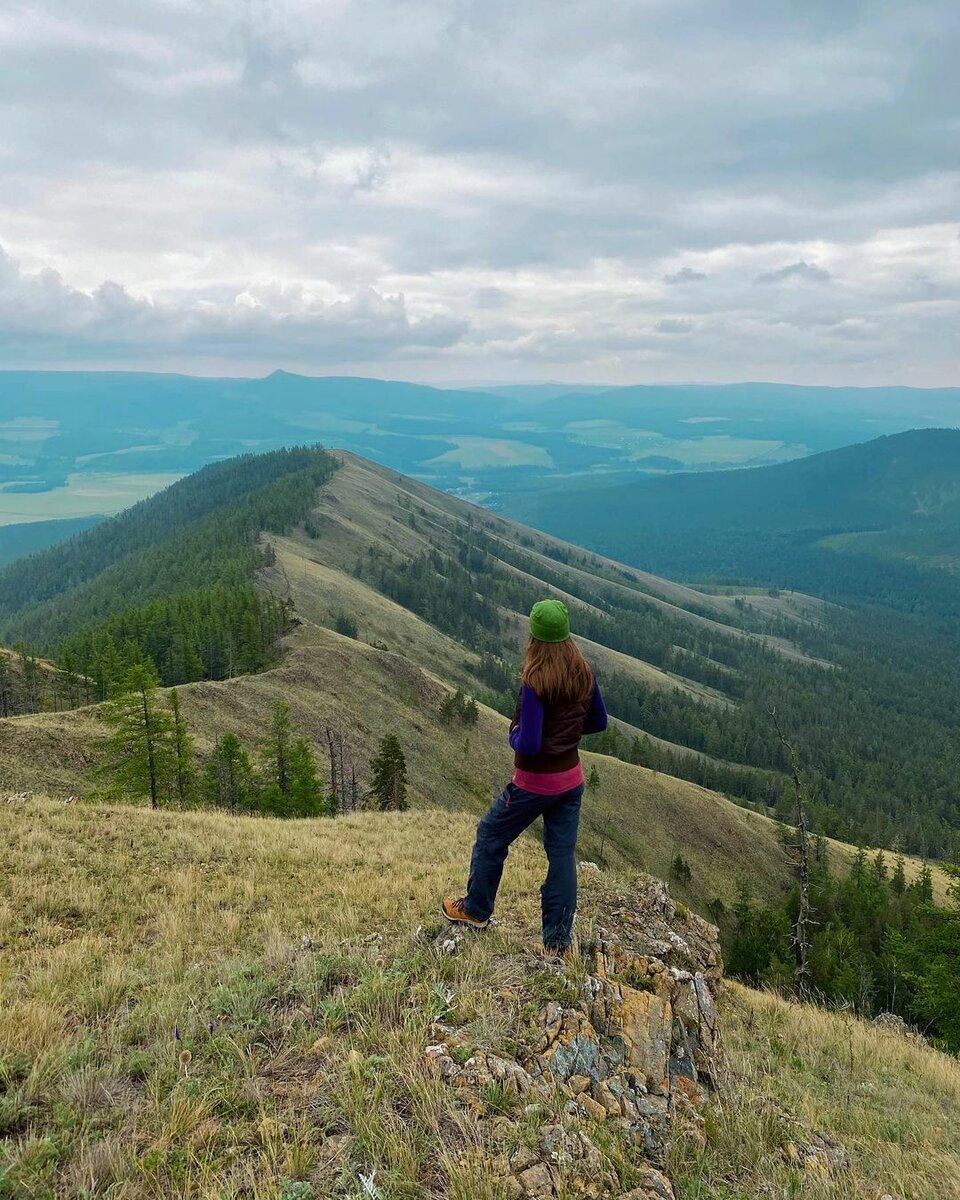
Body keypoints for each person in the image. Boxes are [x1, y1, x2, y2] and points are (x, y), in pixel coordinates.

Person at [442, 598, 607, 954]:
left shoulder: (535, 682)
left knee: (491, 834)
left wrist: (512, 732)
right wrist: (567, 737)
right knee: (561, 855)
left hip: (534, 783)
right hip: (571, 780)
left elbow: (529, 744)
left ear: (534, 638)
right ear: (566, 636)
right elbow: (599, 722)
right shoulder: (584, 672)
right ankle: (558, 940)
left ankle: (476, 909)